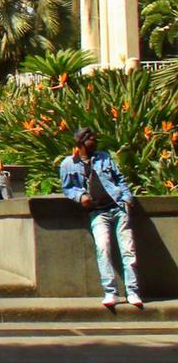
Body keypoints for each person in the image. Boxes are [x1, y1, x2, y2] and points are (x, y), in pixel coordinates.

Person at [60, 128, 142, 308]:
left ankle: (133, 291)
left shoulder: (104, 157)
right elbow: (68, 188)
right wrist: (81, 197)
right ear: (82, 142)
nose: (96, 143)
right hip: (98, 212)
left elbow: (120, 179)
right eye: (92, 140)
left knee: (128, 250)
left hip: (118, 208)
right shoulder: (68, 164)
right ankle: (110, 291)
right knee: (103, 248)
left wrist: (127, 200)